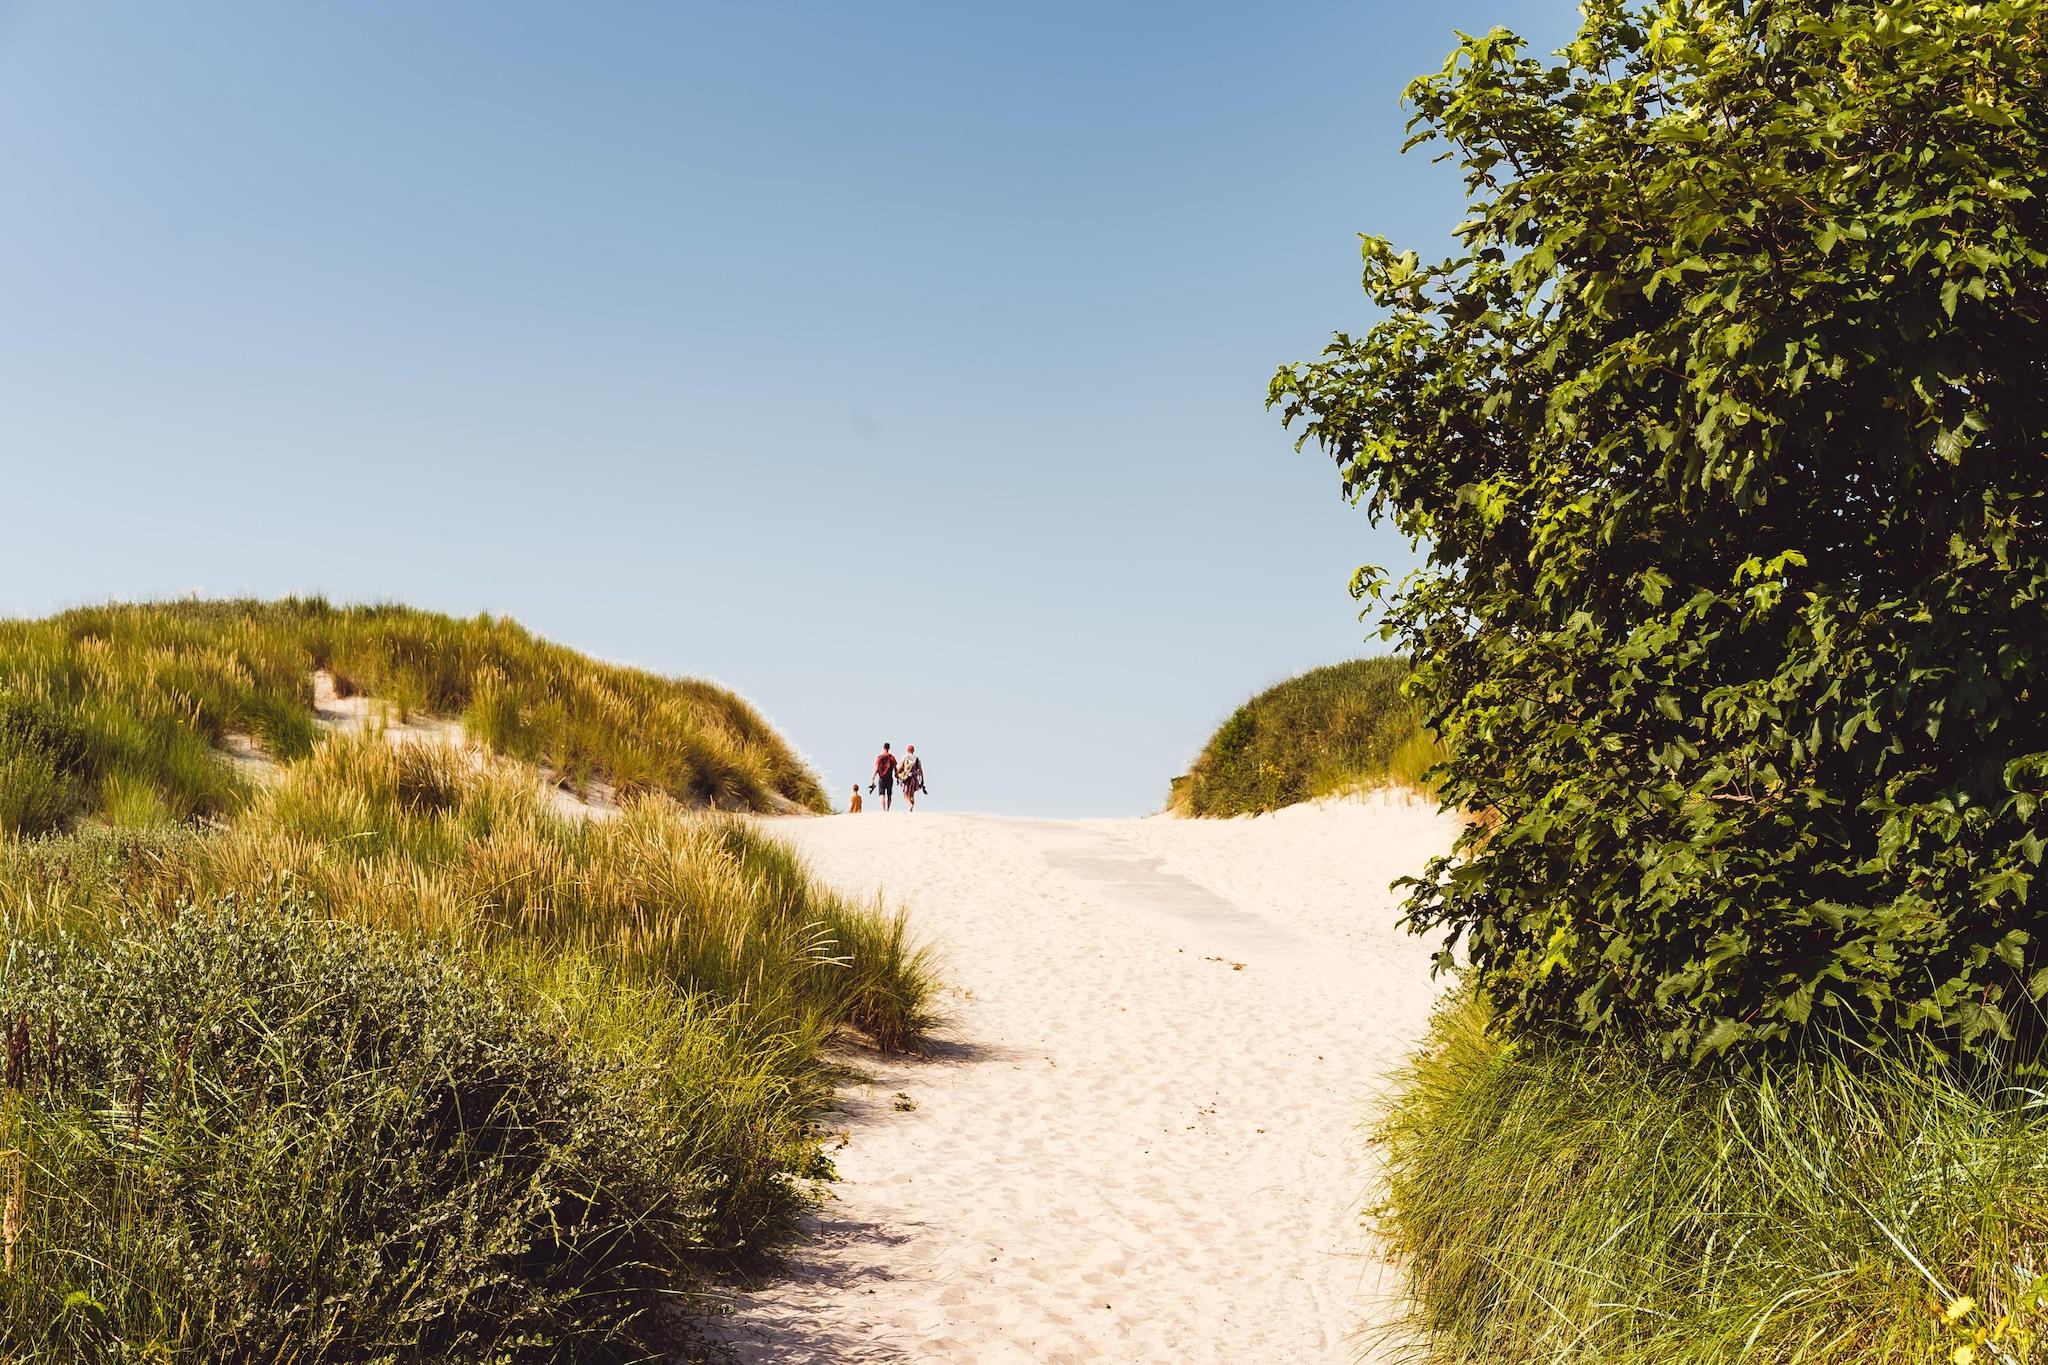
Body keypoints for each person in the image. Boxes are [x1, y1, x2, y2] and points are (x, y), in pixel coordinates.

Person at [899, 744, 926, 811]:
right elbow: (920, 770)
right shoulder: (916, 758)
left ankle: (910, 805)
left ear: (907, 750)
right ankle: (911, 809)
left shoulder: (905, 757)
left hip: (907, 777)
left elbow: (900, 767)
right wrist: (922, 781)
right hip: (914, 778)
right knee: (912, 794)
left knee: (905, 794)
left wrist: (898, 775)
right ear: (913, 750)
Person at [872, 742, 897, 811]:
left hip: (881, 778)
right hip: (889, 778)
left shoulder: (879, 757)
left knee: (882, 794)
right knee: (889, 794)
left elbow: (876, 767)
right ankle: (888, 809)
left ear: (883, 747)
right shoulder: (891, 757)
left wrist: (873, 777)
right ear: (889, 748)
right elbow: (895, 767)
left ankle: (883, 810)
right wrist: (897, 776)